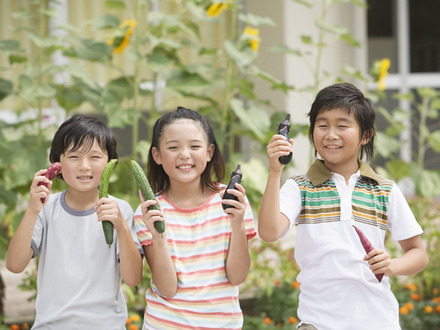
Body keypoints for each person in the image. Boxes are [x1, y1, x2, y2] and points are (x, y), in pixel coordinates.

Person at [258, 83, 429, 330]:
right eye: (322, 125)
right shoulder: (299, 187)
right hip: (317, 323)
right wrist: (275, 172)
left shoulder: (385, 189)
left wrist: (391, 266)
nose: (330, 134)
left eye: (342, 125)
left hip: (379, 322)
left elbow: (419, 254)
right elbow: (269, 232)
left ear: (366, 135)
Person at [6, 114, 143, 329]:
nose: (84, 166)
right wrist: (32, 210)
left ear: (110, 163)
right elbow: (14, 265)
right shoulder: (45, 209)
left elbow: (133, 279)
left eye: (95, 157)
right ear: (58, 163)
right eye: (74, 156)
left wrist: (122, 227)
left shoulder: (120, 210)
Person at [134, 106, 256, 329]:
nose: (184, 154)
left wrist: (237, 225)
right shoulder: (149, 211)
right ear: (157, 155)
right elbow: (167, 289)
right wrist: (157, 237)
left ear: (209, 152)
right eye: (173, 147)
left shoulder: (232, 202)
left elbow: (237, 277)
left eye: (195, 146)